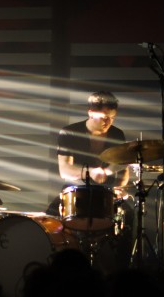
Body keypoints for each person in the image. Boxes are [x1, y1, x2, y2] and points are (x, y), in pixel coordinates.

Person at [47, 91, 132, 270]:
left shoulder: (117, 134)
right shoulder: (70, 132)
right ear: (90, 112)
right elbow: (65, 170)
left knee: (129, 217)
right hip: (76, 191)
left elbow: (124, 168)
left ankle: (121, 272)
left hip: (106, 195)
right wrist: (91, 172)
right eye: (104, 117)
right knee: (49, 221)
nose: (108, 122)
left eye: (112, 118)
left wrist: (120, 188)